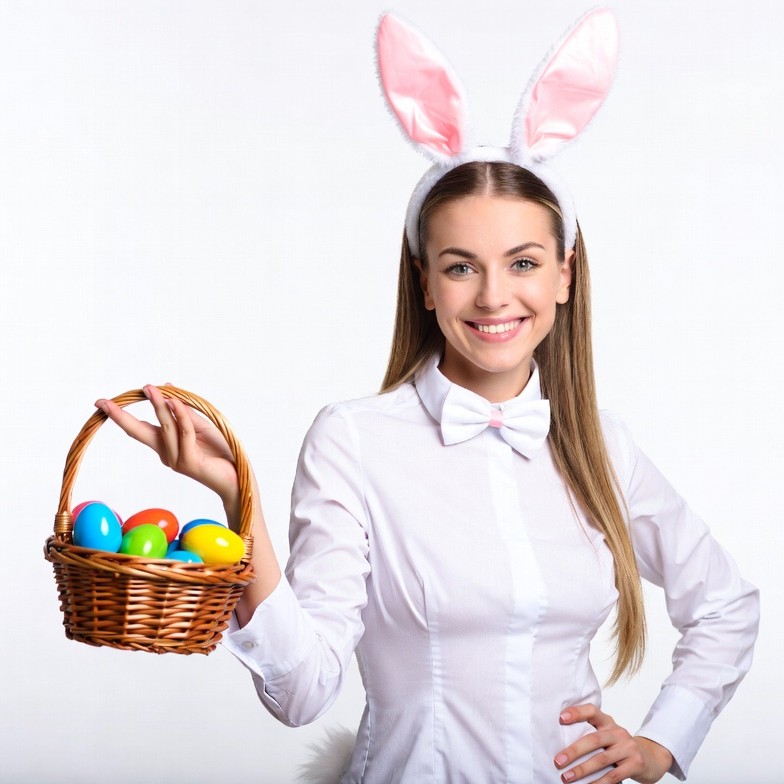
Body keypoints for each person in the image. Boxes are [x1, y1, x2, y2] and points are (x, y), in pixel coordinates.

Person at [95, 9, 759, 784]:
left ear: (565, 276)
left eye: (522, 263)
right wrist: (238, 500)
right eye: (459, 266)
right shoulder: (354, 440)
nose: (492, 296)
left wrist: (660, 743)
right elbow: (303, 691)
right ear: (424, 282)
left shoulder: (600, 446)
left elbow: (726, 606)